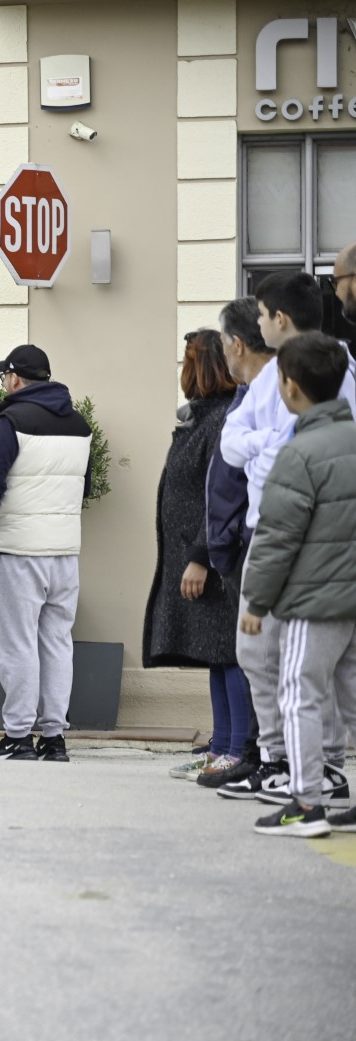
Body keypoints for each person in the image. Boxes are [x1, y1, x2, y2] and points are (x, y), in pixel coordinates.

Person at [218, 270, 356, 805]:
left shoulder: (336, 368)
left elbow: (301, 454)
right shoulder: (272, 373)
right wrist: (267, 443)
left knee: (309, 665)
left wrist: (268, 449)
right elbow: (233, 443)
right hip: (272, 525)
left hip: (310, 535)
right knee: (260, 654)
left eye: (260, 315)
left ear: (280, 317)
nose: (256, 325)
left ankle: (318, 769)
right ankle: (282, 761)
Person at [0, 345, 94, 764]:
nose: (3, 383)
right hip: (65, 550)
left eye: (3, 376)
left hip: (18, 548)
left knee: (16, 644)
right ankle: (54, 738)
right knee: (58, 643)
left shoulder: (11, 422)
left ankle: (19, 735)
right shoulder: (79, 424)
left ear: (15, 378)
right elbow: (83, 485)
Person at [144, 331, 248, 782]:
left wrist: (201, 556)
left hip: (214, 559)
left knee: (229, 652)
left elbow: (224, 494)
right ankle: (220, 746)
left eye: (186, 362)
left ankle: (238, 749)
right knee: (215, 653)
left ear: (202, 367)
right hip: (197, 555)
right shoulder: (203, 417)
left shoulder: (223, 419)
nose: (181, 372)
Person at [198, 300, 271, 790]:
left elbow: (244, 461)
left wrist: (215, 549)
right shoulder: (248, 395)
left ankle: (266, 758)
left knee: (264, 659)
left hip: (261, 541)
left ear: (236, 345)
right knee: (249, 655)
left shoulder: (271, 392)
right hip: (241, 544)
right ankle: (255, 754)